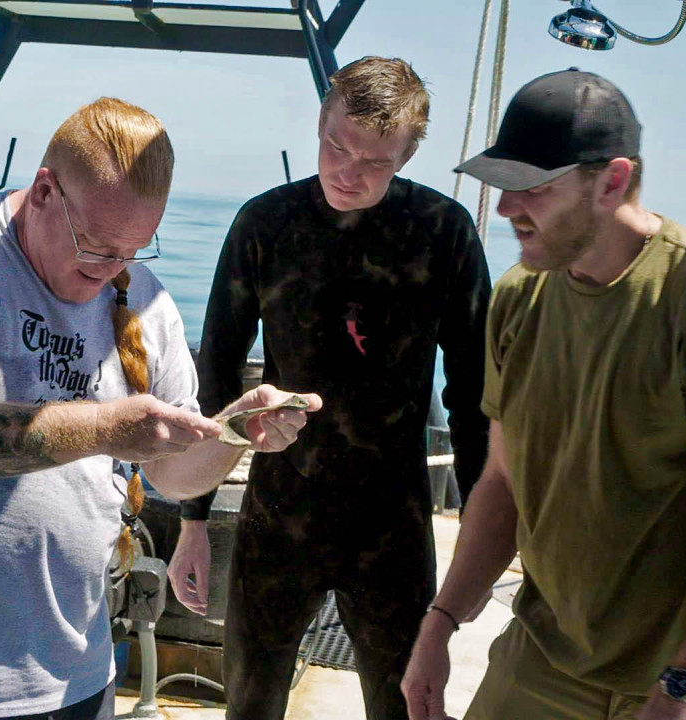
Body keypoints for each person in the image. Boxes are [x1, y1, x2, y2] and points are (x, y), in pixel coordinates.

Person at [0, 96, 320, 720]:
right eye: (97, 246)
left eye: (134, 251)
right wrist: (104, 427)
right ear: (44, 191)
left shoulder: (147, 302)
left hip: (76, 672)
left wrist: (235, 432)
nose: (112, 271)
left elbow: (173, 474)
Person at [401, 68, 686, 720]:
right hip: (549, 657)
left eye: (530, 188)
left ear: (612, 180)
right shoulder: (518, 299)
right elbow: (504, 486)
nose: (506, 209)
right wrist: (441, 622)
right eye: (501, 187)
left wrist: (680, 694)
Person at [168, 56, 491, 720]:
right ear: (320, 120)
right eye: (335, 147)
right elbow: (218, 376)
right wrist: (192, 523)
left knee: (407, 704)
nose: (348, 171)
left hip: (393, 524)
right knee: (251, 705)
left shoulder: (444, 233)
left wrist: (484, 544)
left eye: (375, 163)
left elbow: (474, 396)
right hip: (281, 512)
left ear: (406, 156)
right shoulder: (266, 225)